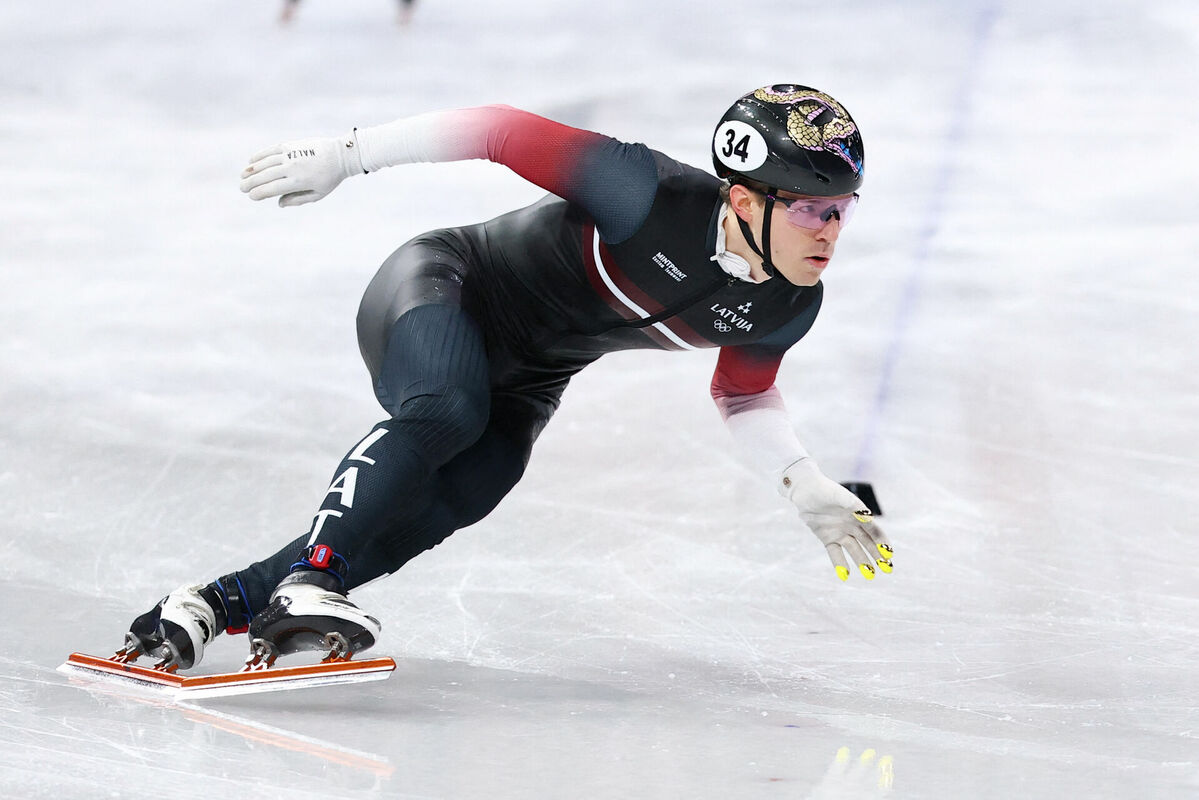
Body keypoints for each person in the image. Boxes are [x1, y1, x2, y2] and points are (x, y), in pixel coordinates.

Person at [122, 85, 894, 672]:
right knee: (446, 410)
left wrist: (802, 482)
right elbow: (497, 130)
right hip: (446, 288)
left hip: (531, 378)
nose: (828, 233)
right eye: (809, 211)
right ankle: (312, 577)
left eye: (841, 211)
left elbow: (742, 392)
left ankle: (212, 603)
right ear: (743, 200)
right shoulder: (645, 193)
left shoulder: (787, 307)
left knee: (472, 486)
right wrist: (345, 155)